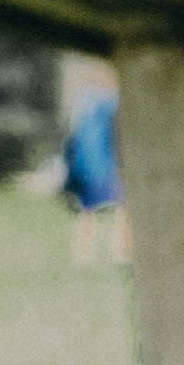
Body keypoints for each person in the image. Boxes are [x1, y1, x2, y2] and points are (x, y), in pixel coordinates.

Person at [60, 57, 127, 265]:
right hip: (98, 162)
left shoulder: (90, 99)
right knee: (107, 207)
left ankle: (115, 251)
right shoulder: (103, 100)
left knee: (116, 208)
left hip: (100, 161)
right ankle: (88, 252)